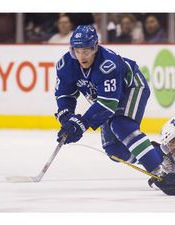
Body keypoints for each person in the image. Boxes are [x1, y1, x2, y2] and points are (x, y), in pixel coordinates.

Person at [54, 24, 167, 175]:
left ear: (95, 48)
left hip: (132, 87)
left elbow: (107, 104)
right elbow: (65, 94)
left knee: (121, 125)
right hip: (106, 100)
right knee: (114, 150)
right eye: (77, 51)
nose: (81, 56)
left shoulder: (108, 64)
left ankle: (160, 171)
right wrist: (66, 116)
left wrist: (82, 123)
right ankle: (163, 156)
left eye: (86, 51)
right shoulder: (66, 65)